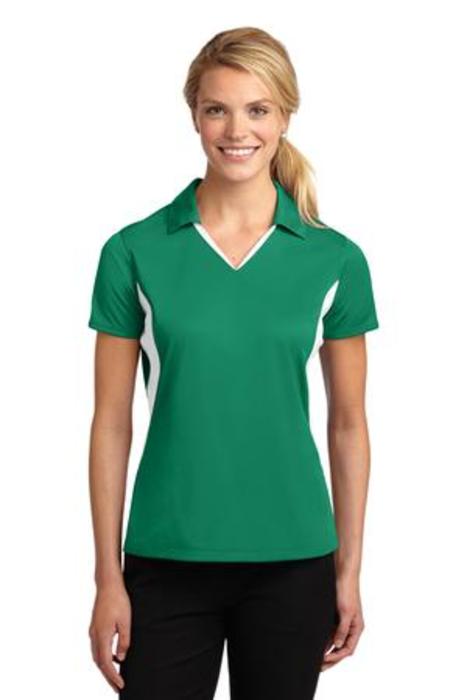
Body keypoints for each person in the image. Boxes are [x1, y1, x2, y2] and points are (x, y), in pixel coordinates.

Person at [87, 26, 379, 700]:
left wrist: (348, 571)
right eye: (217, 109)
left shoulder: (334, 259)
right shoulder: (133, 252)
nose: (236, 130)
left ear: (284, 117)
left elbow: (348, 425)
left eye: (257, 109)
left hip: (295, 562)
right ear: (194, 116)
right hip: (165, 558)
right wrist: (107, 576)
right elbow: (110, 424)